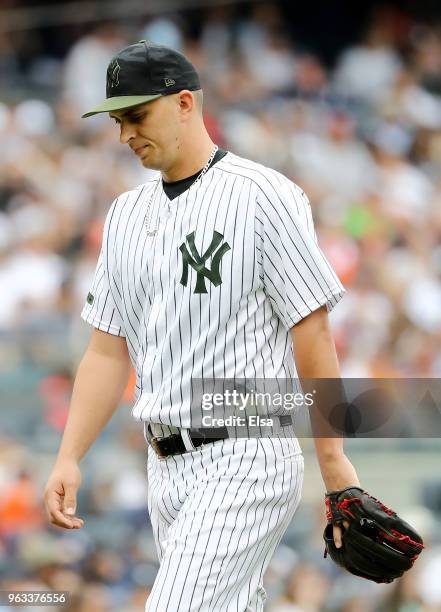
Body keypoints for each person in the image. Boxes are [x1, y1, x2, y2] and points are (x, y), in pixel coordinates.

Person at [44, 41, 359, 611]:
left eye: (137, 115)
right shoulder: (124, 215)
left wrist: (333, 464)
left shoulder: (264, 195)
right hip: (163, 466)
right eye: (118, 120)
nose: (125, 134)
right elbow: (106, 351)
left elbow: (311, 332)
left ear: (184, 102)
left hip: (246, 451)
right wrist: (69, 455)